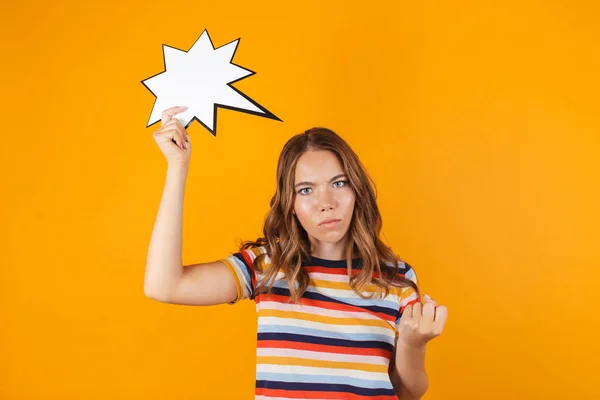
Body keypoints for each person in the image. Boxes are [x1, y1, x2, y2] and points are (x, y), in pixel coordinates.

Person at [144, 106, 448, 400]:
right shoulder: (267, 267)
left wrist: (412, 342)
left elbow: (409, 393)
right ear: (289, 202)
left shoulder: (395, 277)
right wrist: (177, 166)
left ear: (356, 190)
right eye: (306, 190)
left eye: (338, 183)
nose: (325, 202)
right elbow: (164, 286)